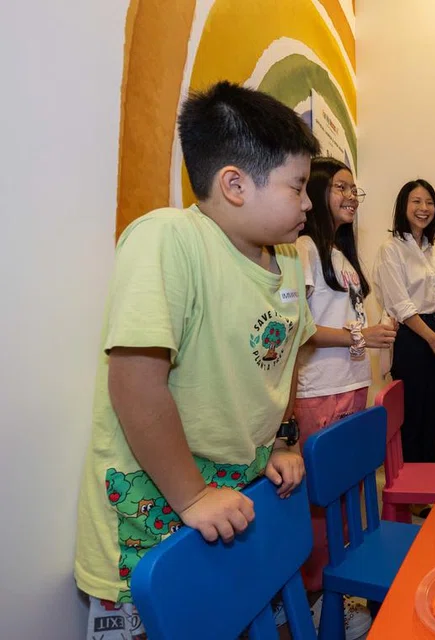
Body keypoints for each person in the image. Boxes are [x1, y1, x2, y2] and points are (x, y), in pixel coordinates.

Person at [74, 82, 318, 639]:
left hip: (234, 493)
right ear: (235, 184)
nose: (308, 203)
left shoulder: (288, 258)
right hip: (162, 497)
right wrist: (193, 495)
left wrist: (283, 441)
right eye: (297, 187)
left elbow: (286, 359)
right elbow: (136, 384)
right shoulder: (168, 240)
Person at [291, 157, 397, 637]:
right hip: (319, 391)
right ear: (315, 189)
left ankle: (342, 589)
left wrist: (368, 340)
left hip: (351, 386)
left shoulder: (339, 251)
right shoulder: (306, 247)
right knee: (319, 502)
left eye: (355, 189)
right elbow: (303, 329)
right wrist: (362, 337)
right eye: (340, 187)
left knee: (349, 493)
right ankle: (314, 596)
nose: (351, 196)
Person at [373, 179, 435, 464]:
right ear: (403, 206)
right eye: (417, 202)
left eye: (429, 202)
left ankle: (427, 483)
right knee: (411, 418)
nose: (424, 208)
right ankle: (410, 491)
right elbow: (401, 304)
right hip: (411, 337)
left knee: (433, 415)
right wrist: (432, 338)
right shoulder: (391, 249)